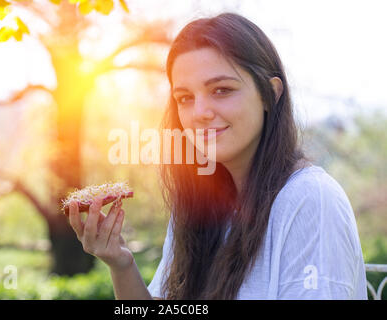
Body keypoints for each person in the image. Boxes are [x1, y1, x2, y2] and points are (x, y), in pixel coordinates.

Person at [67, 12, 368, 300]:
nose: (199, 113)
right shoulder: (197, 204)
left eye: (222, 90)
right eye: (185, 98)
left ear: (270, 94)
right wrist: (121, 264)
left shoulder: (309, 199)